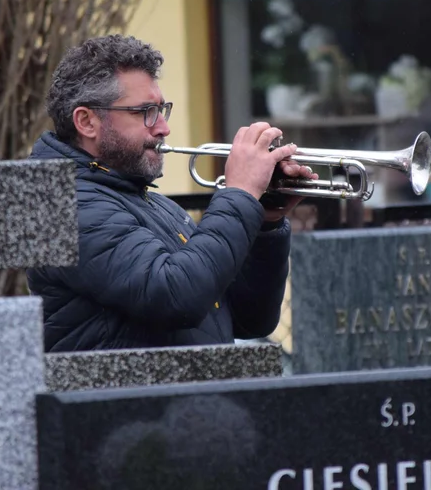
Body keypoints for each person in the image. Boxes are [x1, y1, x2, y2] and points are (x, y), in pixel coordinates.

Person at [27, 34, 317, 352]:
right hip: (124, 401)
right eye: (145, 112)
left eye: (162, 110)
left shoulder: (149, 203)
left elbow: (251, 320)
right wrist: (240, 193)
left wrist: (265, 219)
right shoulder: (64, 207)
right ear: (87, 121)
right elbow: (175, 296)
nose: (163, 127)